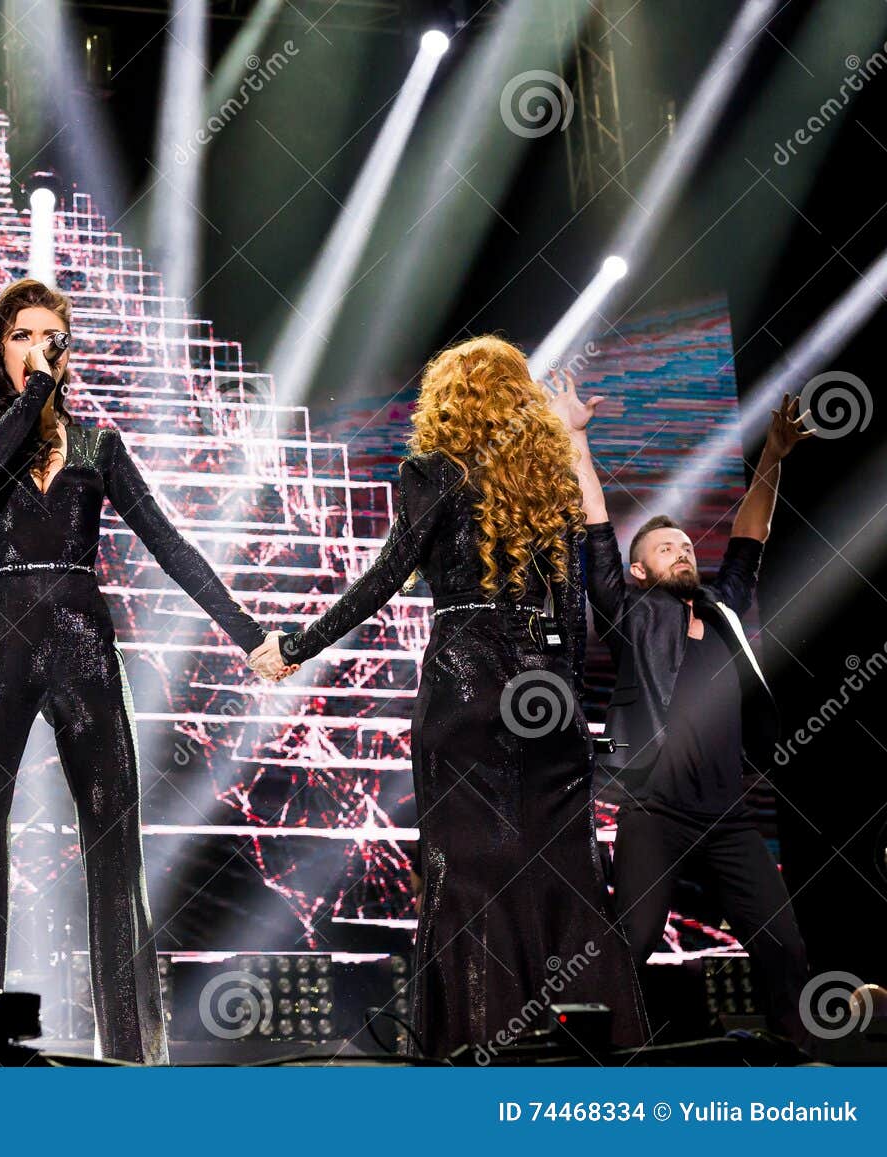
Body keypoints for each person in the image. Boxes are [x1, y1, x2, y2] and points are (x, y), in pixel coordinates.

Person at [250, 337, 647, 1059]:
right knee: (564, 869)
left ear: (448, 404)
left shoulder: (432, 474)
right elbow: (580, 613)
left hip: (465, 692)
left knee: (467, 874)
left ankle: (477, 1051)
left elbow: (381, 580)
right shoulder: (549, 479)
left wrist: (294, 646)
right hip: (546, 693)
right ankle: (591, 1052)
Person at [0, 278, 266, 1065]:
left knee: (114, 841)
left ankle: (136, 1054)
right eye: (22, 336)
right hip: (1, 641)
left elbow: (171, 544)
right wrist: (35, 392)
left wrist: (246, 633)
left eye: (51, 336)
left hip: (82, 643)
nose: (39, 347)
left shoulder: (98, 445)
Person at [553, 373, 812, 1042]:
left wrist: (773, 458)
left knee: (783, 942)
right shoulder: (631, 611)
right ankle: (613, 1059)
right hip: (655, 809)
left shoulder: (721, 607)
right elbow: (596, 533)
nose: (682, 550)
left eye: (687, 545)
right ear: (641, 571)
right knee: (633, 940)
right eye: (666, 548)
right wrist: (579, 440)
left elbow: (751, 537)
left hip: (727, 814)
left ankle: (796, 1053)